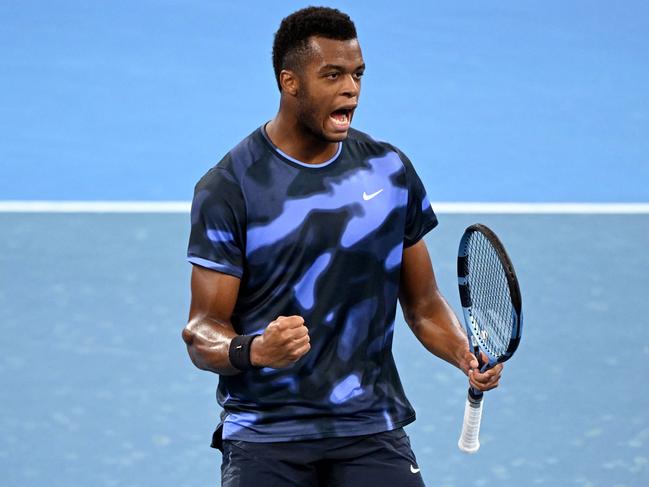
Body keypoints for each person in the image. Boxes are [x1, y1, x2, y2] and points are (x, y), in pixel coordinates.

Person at [182, 6, 502, 486]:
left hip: (368, 426)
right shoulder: (230, 187)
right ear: (290, 83)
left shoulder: (389, 171)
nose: (350, 88)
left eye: (356, 74)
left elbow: (423, 302)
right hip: (267, 434)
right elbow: (202, 330)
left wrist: (462, 352)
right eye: (332, 75)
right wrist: (256, 350)